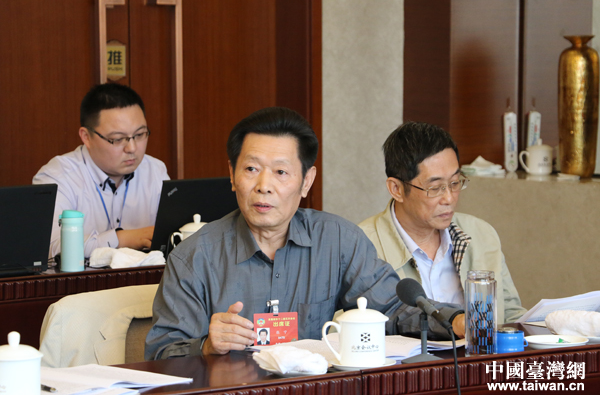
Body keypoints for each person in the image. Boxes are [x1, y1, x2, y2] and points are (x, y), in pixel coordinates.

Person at [145, 107, 465, 360]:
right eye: (251, 169)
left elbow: (393, 308)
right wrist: (206, 345)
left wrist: (455, 321)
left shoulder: (337, 239)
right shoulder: (194, 257)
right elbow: (160, 352)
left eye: (281, 172)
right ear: (232, 175)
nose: (264, 185)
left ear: (306, 181)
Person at [359, 121, 527, 323]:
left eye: (455, 183)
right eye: (436, 188)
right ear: (397, 189)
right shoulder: (361, 248)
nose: (449, 198)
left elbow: (510, 317)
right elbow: (342, 330)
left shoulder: (481, 234)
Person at [33, 83, 169, 259]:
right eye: (117, 139)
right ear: (86, 137)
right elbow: (49, 247)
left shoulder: (155, 171)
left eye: (139, 135)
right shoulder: (57, 177)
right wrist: (122, 239)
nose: (132, 148)